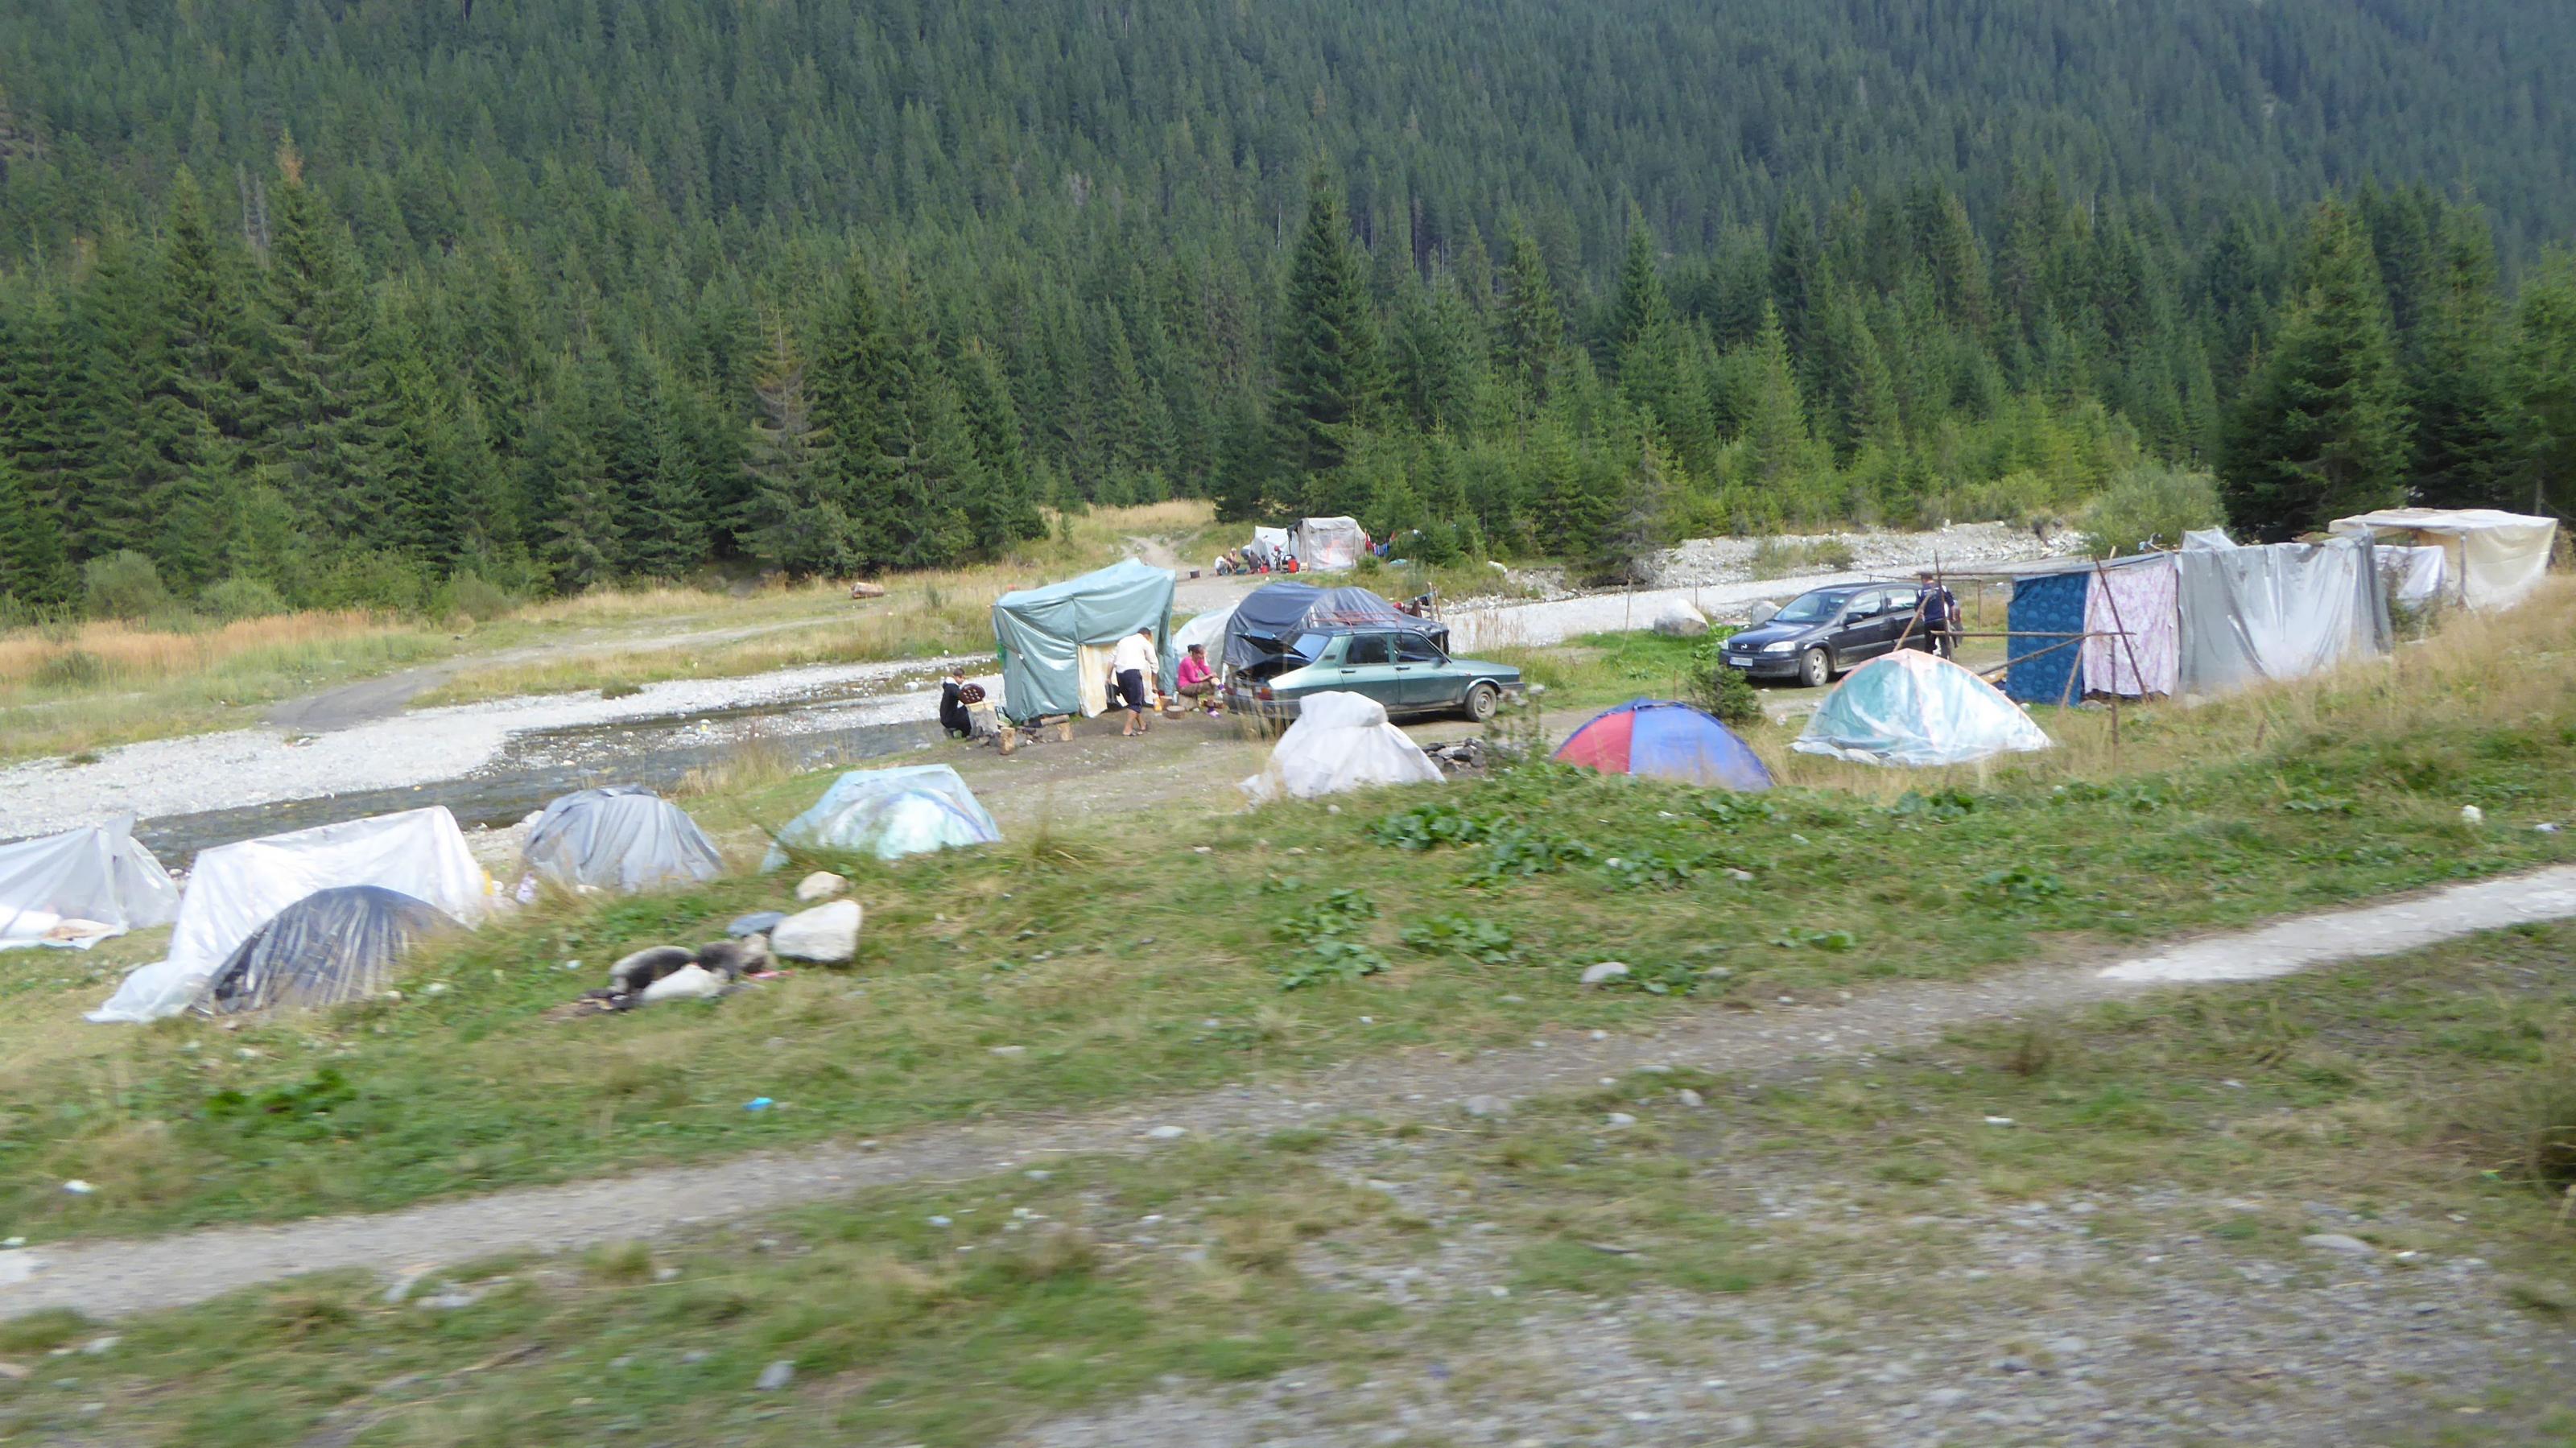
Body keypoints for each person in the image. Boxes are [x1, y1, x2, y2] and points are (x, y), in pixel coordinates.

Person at [1110, 625, 1158, 736]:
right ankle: (1128, 729)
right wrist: (1154, 684)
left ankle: (1142, 725)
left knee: (1132, 701)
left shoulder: (1123, 640)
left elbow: (1111, 659)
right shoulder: (1145, 642)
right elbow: (1155, 665)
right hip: (1132, 673)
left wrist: (1108, 677)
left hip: (1119, 673)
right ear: (1148, 636)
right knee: (1136, 701)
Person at [1913, 570, 1959, 658]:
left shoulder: (1921, 591)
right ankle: (1945, 660)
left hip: (1929, 622)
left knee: (1929, 645)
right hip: (1941, 620)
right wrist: (1953, 617)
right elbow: (1952, 604)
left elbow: (1917, 608)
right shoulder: (1941, 588)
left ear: (1923, 579)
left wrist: (1921, 616)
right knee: (1944, 643)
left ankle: (1929, 661)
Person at [1175, 641, 1217, 712]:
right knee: (1209, 686)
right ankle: (1211, 708)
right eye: (1201, 654)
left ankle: (1210, 707)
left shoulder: (1199, 660)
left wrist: (1205, 659)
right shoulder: (1187, 662)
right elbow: (1193, 679)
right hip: (1184, 686)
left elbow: (1207, 672)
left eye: (1203, 654)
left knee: (1211, 682)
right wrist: (1208, 677)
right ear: (1194, 654)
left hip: (1191, 684)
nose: (1202, 656)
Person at [938, 666, 972, 737]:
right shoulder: (952, 688)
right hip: (949, 719)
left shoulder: (949, 686)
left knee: (966, 708)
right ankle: (965, 734)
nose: (962, 680)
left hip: (947, 716)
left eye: (963, 678)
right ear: (955, 677)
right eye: (961, 678)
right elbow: (962, 698)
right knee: (968, 719)